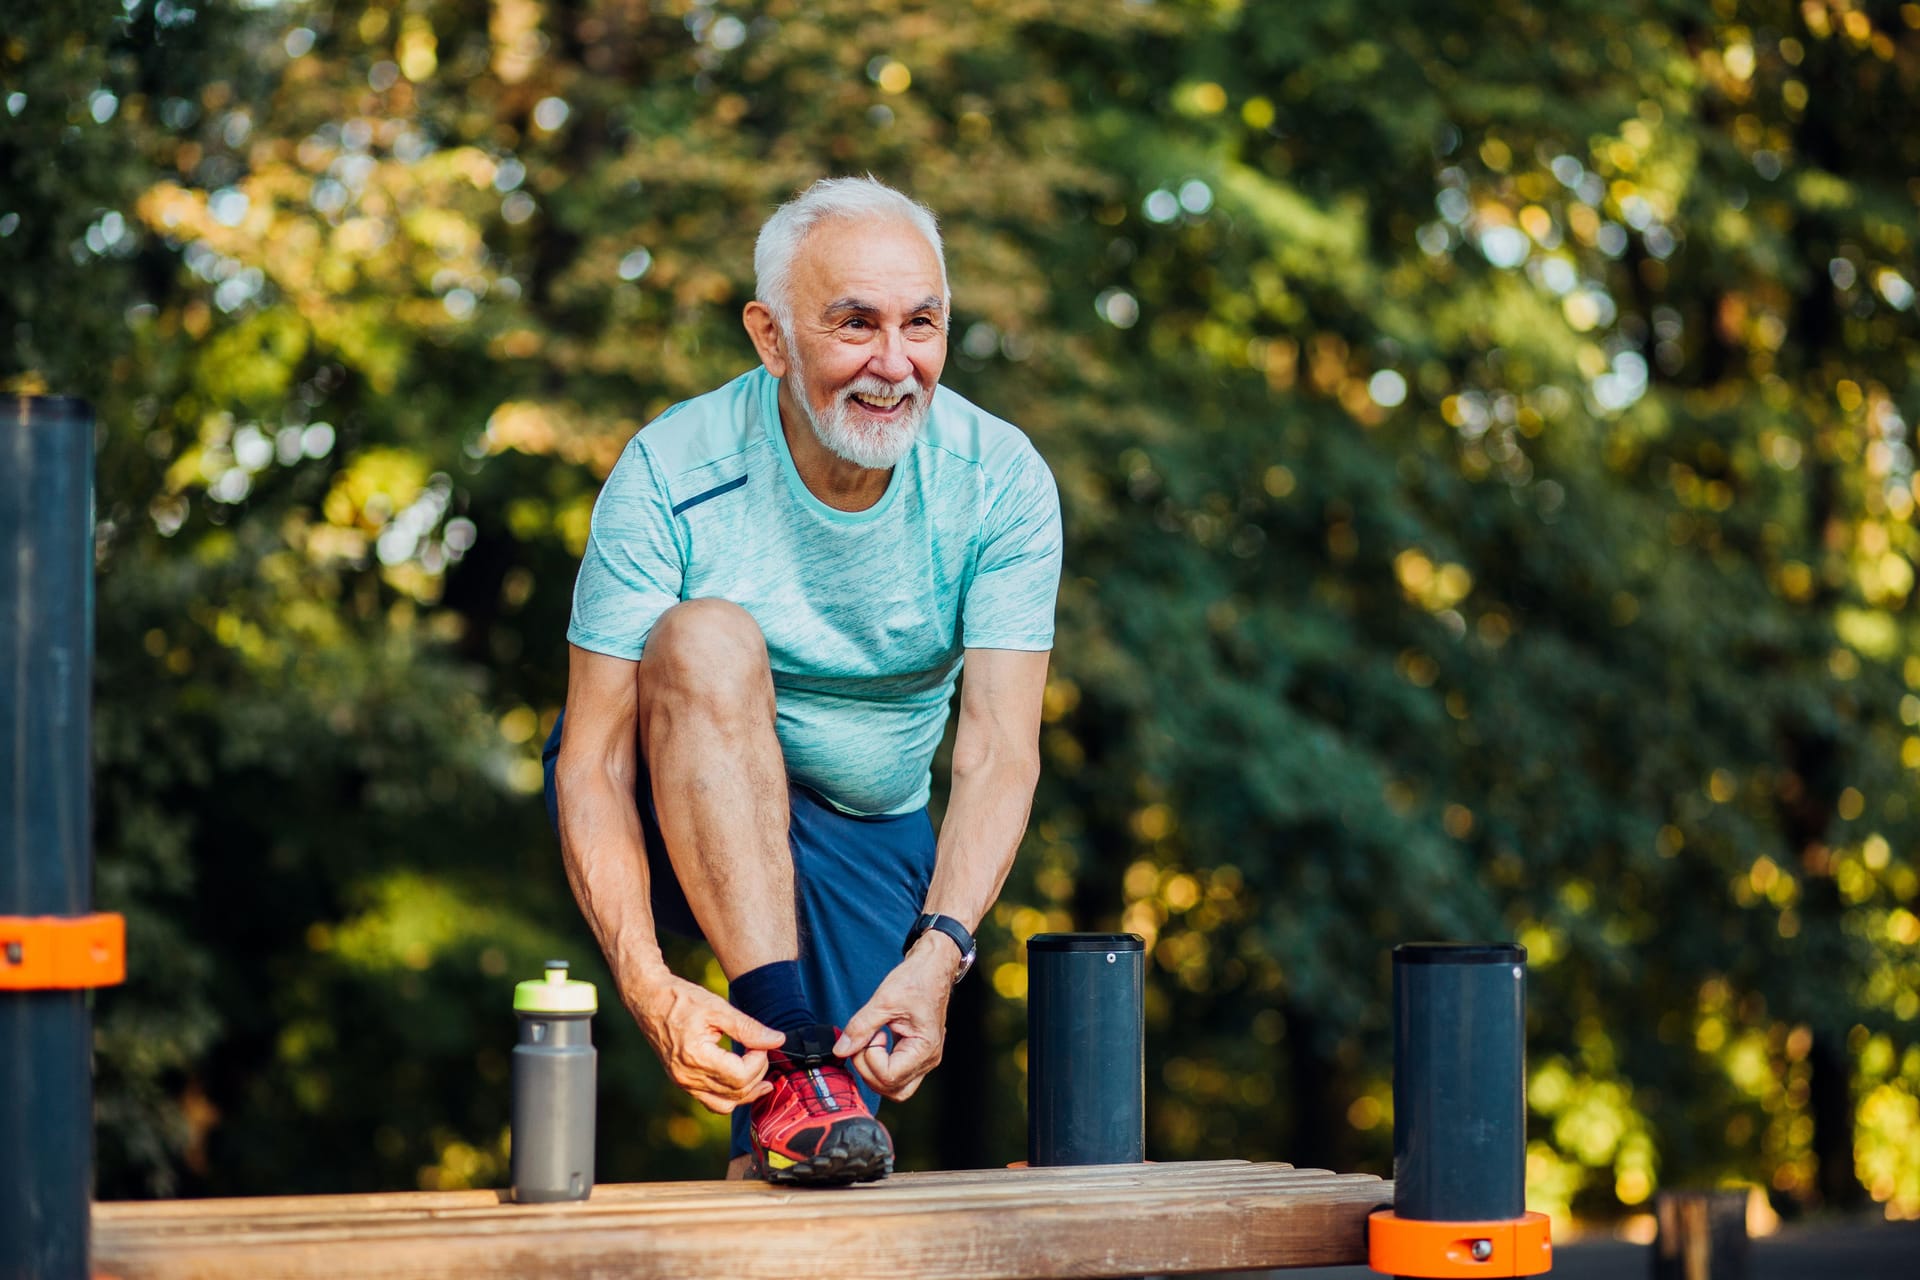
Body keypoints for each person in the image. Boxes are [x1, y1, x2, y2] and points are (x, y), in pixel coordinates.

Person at [542, 177, 1062, 1185]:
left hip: (865, 827)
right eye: (853, 323)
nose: (894, 362)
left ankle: (796, 1095)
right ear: (771, 338)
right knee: (702, 635)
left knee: (814, 1161)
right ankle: (790, 1030)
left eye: (922, 323)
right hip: (667, 789)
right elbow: (595, 757)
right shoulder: (669, 470)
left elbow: (1000, 748)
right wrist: (648, 984)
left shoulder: (999, 480)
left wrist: (941, 949)